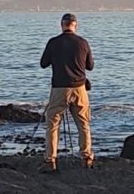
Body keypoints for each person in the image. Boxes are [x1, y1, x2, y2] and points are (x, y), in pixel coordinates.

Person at [38, 12, 94, 173]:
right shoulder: (83, 43)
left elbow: (43, 64)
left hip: (59, 88)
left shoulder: (53, 42)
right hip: (79, 88)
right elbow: (90, 66)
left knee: (52, 124)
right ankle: (86, 157)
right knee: (83, 123)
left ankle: (50, 160)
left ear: (62, 25)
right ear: (75, 25)